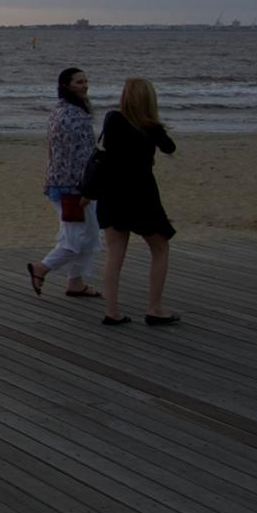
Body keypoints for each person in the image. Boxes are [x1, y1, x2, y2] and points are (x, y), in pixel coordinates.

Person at [97, 77, 179, 326]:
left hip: (112, 192)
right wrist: (154, 124)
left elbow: (108, 150)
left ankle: (112, 311)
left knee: (114, 253)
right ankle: (154, 308)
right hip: (141, 194)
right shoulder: (149, 126)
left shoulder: (113, 119)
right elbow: (169, 147)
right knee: (160, 247)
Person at [26, 67, 102, 299]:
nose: (85, 85)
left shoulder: (59, 111)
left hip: (59, 183)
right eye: (79, 82)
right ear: (66, 86)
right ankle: (42, 268)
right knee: (79, 237)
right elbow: (80, 157)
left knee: (83, 234)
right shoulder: (73, 116)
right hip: (72, 187)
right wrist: (85, 188)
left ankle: (75, 282)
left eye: (86, 81)